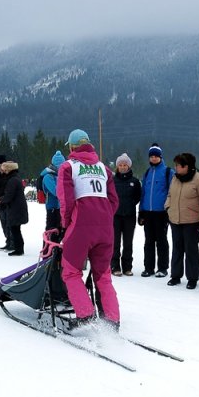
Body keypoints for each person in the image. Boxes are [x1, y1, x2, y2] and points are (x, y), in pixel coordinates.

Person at [57, 129, 120, 329]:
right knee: (103, 275)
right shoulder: (104, 169)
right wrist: (104, 216)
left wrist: (66, 224)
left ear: (72, 147)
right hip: (106, 228)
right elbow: (113, 200)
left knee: (71, 272)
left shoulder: (68, 167)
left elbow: (66, 201)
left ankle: (85, 316)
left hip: (81, 227)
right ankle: (112, 320)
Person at [165, 153, 199, 289]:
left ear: (186, 166)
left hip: (192, 221)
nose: (176, 167)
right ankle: (175, 276)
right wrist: (168, 207)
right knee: (177, 248)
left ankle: (192, 278)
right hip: (175, 219)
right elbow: (170, 195)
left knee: (191, 250)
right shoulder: (175, 178)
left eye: (178, 165)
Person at [138, 143, 173, 278]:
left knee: (161, 241)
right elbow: (144, 193)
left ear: (160, 157)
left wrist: (168, 211)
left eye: (156, 156)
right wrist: (141, 211)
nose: (153, 158)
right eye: (151, 156)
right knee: (148, 241)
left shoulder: (167, 172)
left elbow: (172, 192)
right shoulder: (147, 172)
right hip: (148, 212)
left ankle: (163, 268)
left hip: (161, 212)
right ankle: (149, 267)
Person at [111, 153, 141, 277]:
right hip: (115, 216)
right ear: (117, 167)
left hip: (129, 216)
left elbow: (138, 196)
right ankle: (115, 266)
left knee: (128, 243)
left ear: (129, 166)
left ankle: (127, 267)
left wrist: (131, 204)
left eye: (125, 165)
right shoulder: (112, 181)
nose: (123, 167)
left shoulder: (134, 181)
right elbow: (109, 196)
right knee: (115, 243)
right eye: (120, 165)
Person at [0, 161, 28, 256]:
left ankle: (18, 249)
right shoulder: (15, 178)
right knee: (16, 229)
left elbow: (9, 195)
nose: (4, 171)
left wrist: (1, 199)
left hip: (15, 208)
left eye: (5, 169)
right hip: (17, 207)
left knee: (15, 229)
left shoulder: (12, 180)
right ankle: (19, 248)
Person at [40, 151, 65, 231]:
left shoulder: (57, 176)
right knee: (51, 229)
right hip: (52, 207)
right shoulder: (48, 177)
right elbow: (56, 191)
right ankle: (48, 243)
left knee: (59, 229)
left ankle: (54, 242)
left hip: (59, 207)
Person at [0, 157, 12, 250]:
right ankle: (8, 241)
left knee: (9, 224)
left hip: (7, 203)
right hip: (0, 203)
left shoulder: (9, 176)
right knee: (4, 225)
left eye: (1, 166)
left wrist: (3, 199)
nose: (0, 168)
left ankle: (11, 242)